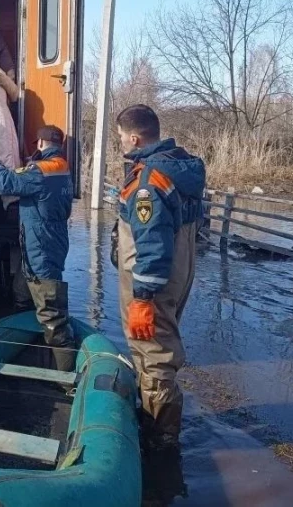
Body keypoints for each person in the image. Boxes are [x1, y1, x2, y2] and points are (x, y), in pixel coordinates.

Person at [112, 104, 206, 450]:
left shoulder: (147, 183)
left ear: (134, 137)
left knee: (153, 353)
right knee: (160, 347)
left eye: (121, 137)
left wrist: (143, 298)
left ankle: (160, 441)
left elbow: (151, 243)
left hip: (155, 280)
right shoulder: (180, 166)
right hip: (180, 270)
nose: (120, 142)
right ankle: (156, 420)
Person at [0, 125, 75, 371]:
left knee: (52, 315)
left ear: (40, 143)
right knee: (22, 293)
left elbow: (5, 183)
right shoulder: (61, 167)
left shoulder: (40, 171)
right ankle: (32, 348)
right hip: (48, 242)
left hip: (41, 248)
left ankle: (67, 377)